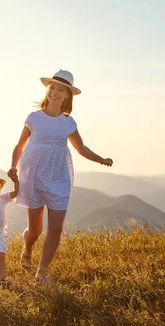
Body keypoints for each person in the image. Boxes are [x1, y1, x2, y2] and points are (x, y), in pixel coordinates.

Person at [8, 69, 113, 284]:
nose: (54, 92)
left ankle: (41, 271)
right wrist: (13, 167)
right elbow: (20, 146)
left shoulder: (68, 123)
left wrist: (101, 159)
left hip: (59, 178)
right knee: (35, 230)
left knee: (55, 228)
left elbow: (81, 148)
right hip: (34, 176)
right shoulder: (34, 118)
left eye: (61, 90)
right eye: (52, 87)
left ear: (68, 95)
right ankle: (27, 250)